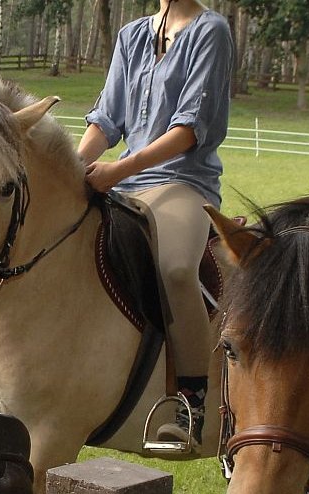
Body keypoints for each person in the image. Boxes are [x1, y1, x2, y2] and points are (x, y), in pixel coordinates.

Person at [78, 0, 234, 446]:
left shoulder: (211, 31)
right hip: (125, 177)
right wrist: (73, 165)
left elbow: (189, 131)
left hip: (183, 181)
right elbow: (107, 121)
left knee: (177, 270)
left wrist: (116, 172)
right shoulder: (131, 35)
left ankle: (192, 403)